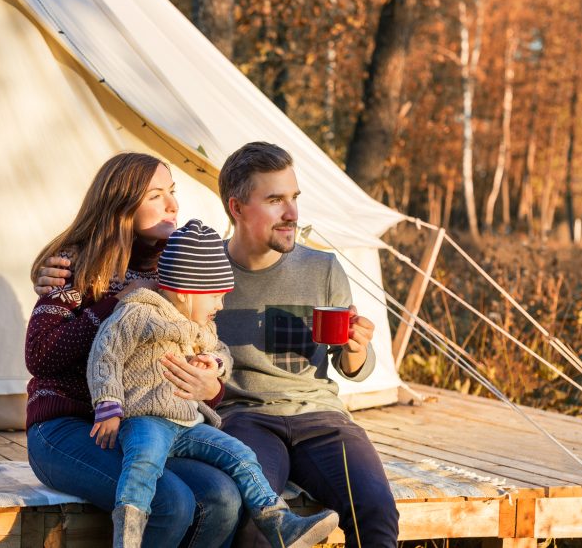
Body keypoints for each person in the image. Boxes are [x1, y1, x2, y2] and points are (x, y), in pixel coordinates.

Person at [36, 142, 400, 547]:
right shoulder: (168, 270)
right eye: (276, 199)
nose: (292, 213)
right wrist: (106, 300)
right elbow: (60, 348)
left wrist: (355, 350)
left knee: (368, 507)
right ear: (237, 208)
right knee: (215, 510)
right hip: (206, 418)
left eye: (294, 198)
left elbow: (206, 355)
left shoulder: (308, 267)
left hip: (309, 416)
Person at [24, 152, 243, 548]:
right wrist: (117, 303)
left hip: (147, 427)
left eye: (172, 192)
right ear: (121, 206)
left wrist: (210, 385)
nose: (173, 205)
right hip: (66, 427)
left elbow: (202, 349)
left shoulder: (175, 269)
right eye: (156, 196)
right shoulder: (74, 267)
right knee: (170, 502)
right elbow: (40, 356)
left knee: (222, 498)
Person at [88, 218, 339, 548]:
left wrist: (216, 363)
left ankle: (279, 523)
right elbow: (104, 353)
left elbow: (223, 352)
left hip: (188, 425)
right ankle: (129, 537)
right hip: (146, 419)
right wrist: (108, 405)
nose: (220, 305)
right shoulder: (138, 314)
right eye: (216, 296)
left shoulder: (201, 327)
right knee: (143, 465)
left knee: (241, 455)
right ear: (185, 292)